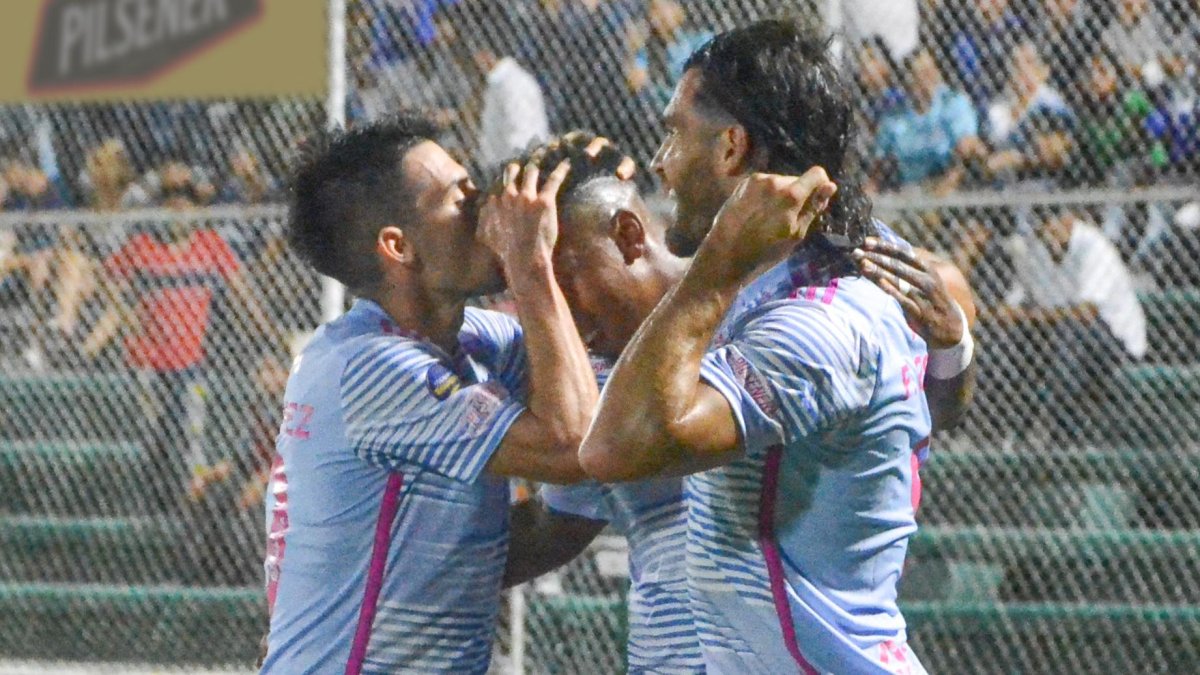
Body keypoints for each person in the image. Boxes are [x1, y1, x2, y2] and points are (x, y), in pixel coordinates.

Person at [500, 130, 977, 673]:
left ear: (629, 236)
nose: (555, 315)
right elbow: (556, 520)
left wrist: (954, 346)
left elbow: (930, 404)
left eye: (560, 280)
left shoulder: (765, 312)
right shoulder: (587, 371)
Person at [579, 21, 934, 672]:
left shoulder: (817, 323)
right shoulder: (831, 266)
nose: (659, 161)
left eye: (674, 132)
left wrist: (715, 262)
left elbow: (613, 448)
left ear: (731, 148)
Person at [260, 114, 600, 673]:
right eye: (460, 199)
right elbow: (574, 442)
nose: (486, 206)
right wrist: (529, 262)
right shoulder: (368, 367)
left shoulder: (466, 339)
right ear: (398, 247)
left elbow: (585, 369)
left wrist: (576, 177)